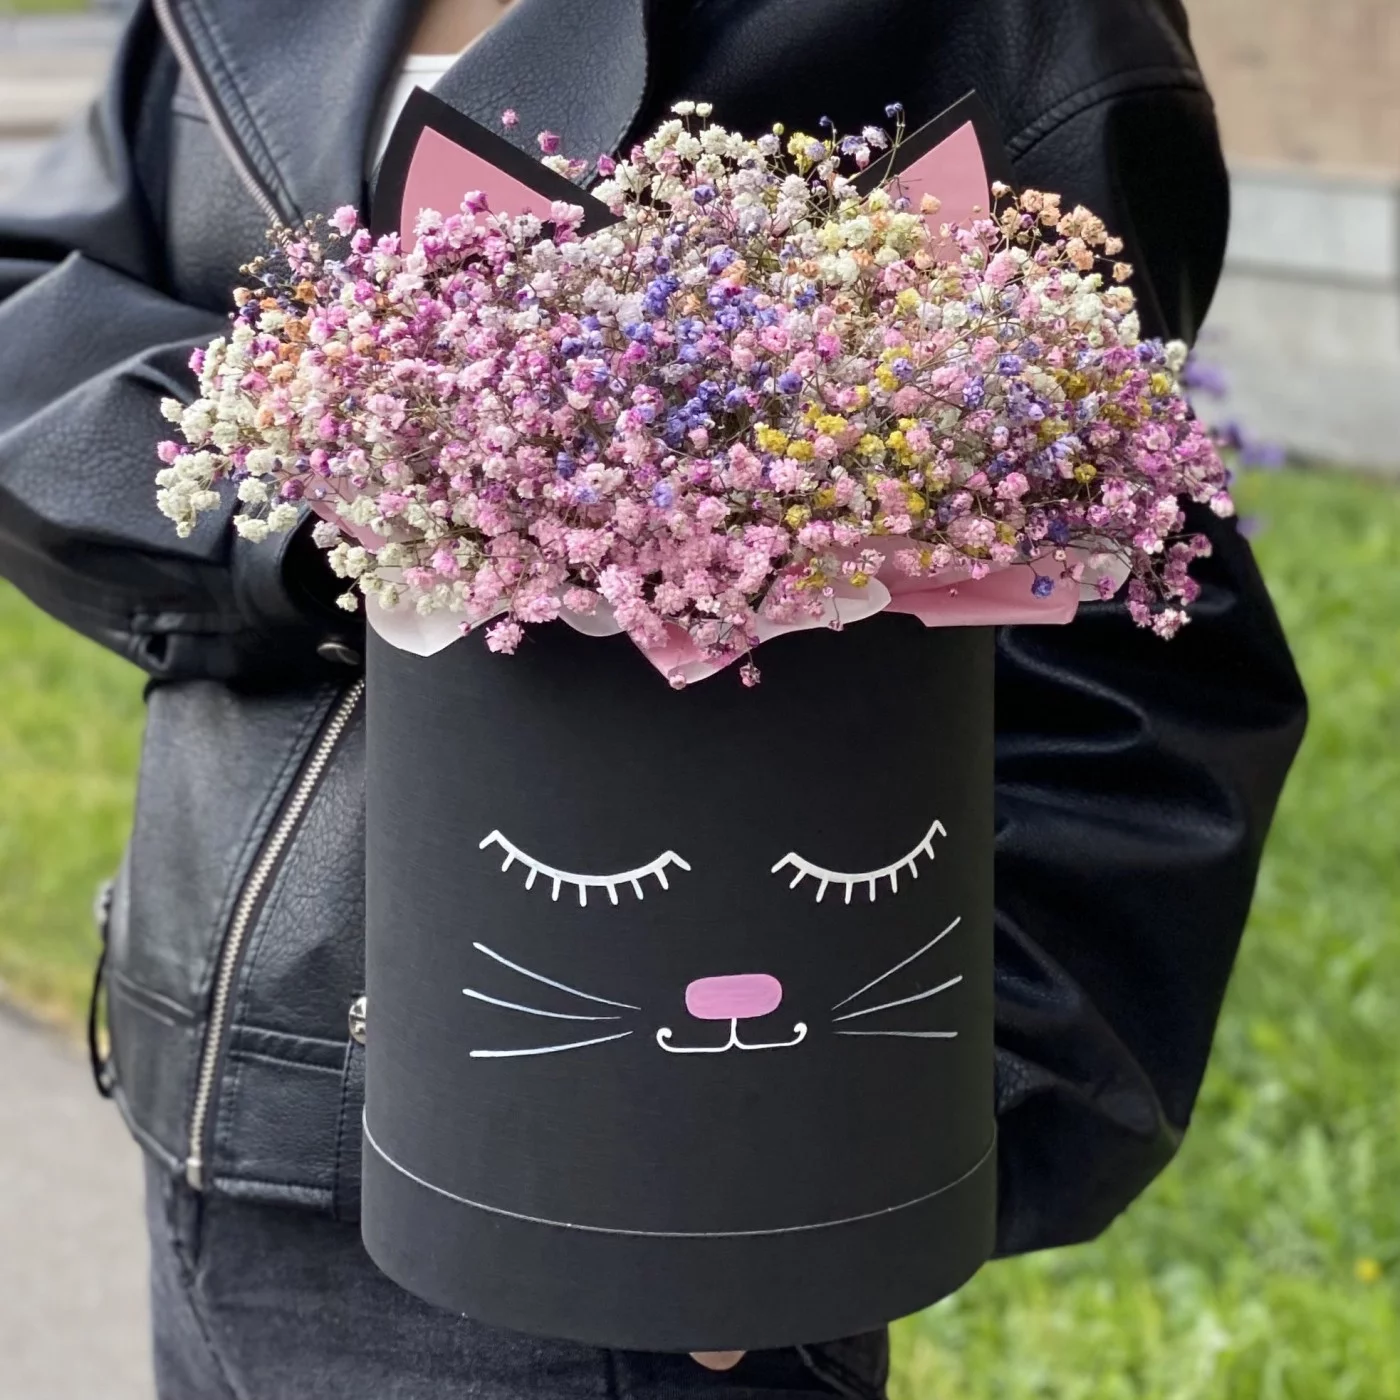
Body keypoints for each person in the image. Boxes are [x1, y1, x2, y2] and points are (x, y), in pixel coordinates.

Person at [0, 0, 1305, 1395]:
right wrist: (318, 526)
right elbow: (33, 308)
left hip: (625, 1203)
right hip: (203, 1107)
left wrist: (882, 1137)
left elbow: (1123, 612)